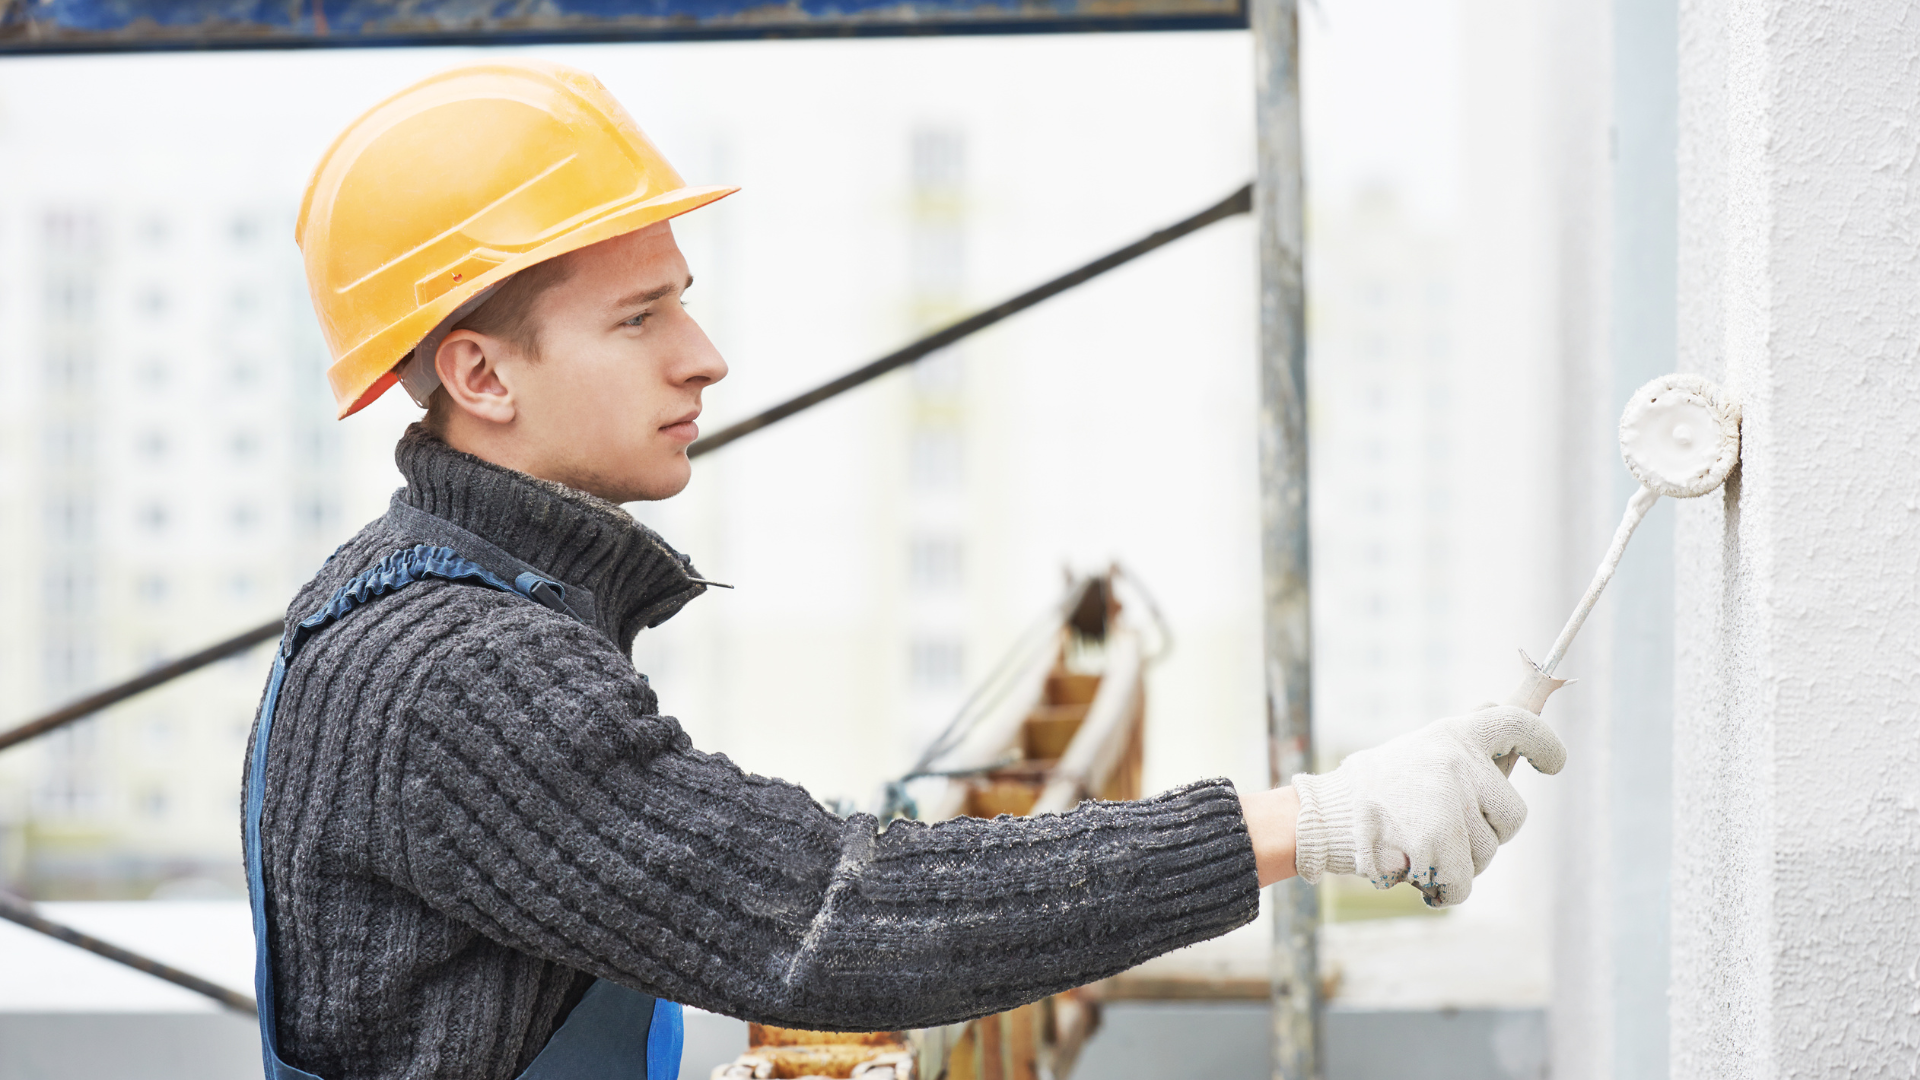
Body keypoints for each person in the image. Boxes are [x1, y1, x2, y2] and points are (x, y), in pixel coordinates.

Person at [247, 59, 1566, 1080]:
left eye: (684, 299)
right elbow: (835, 925)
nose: (702, 356)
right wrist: (1312, 823)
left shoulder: (404, 603)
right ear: (479, 374)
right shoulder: (460, 679)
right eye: (640, 319)